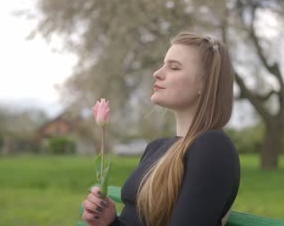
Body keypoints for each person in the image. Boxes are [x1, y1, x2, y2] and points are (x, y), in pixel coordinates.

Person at [82, 32, 241, 226]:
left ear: (205, 83)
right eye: (163, 64)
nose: (157, 73)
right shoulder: (156, 148)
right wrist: (110, 222)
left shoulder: (212, 147)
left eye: (174, 67)